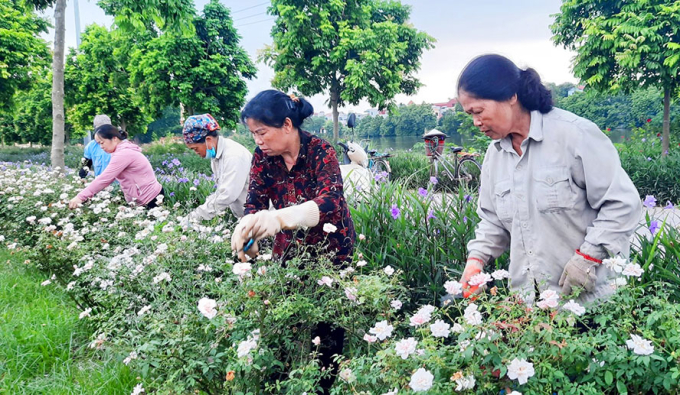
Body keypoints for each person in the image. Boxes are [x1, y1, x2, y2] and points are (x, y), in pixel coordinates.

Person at [456, 54, 642, 304]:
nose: (476, 122)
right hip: (530, 309)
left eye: (478, 111)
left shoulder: (575, 135)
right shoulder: (495, 155)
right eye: (470, 115)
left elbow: (622, 204)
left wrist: (587, 258)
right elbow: (492, 221)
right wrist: (475, 261)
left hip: (589, 302)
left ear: (511, 96)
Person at [230, 89, 355, 394]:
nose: (258, 141)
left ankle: (326, 385)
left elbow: (330, 203)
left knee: (327, 324)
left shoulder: (320, 152)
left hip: (332, 249)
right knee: (285, 318)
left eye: (262, 132)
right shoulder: (263, 158)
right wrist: (247, 229)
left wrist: (281, 218)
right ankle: (280, 381)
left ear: (287, 125)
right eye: (253, 134)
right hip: (290, 250)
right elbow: (255, 200)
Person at [69, 125, 164, 209]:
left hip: (150, 198)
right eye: (98, 144)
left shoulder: (123, 154)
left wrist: (80, 197)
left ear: (114, 139)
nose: (101, 147)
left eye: (102, 143)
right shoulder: (119, 151)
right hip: (142, 198)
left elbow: (105, 179)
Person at [181, 114, 252, 223]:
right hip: (246, 218)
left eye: (196, 148)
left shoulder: (233, 156)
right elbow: (220, 191)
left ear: (208, 140)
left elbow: (227, 195)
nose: (196, 153)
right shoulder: (217, 157)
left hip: (260, 218)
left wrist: (196, 216)